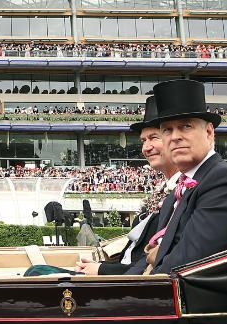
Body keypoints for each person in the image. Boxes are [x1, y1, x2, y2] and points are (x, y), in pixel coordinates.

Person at [145, 79, 227, 274]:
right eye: (167, 130)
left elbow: (184, 265)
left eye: (185, 126)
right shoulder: (183, 188)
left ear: (209, 132)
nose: (175, 136)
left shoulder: (226, 183)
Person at [76, 95, 179, 275]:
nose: (146, 148)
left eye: (153, 137)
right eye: (143, 141)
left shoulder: (183, 193)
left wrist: (101, 270)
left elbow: (153, 262)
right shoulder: (164, 189)